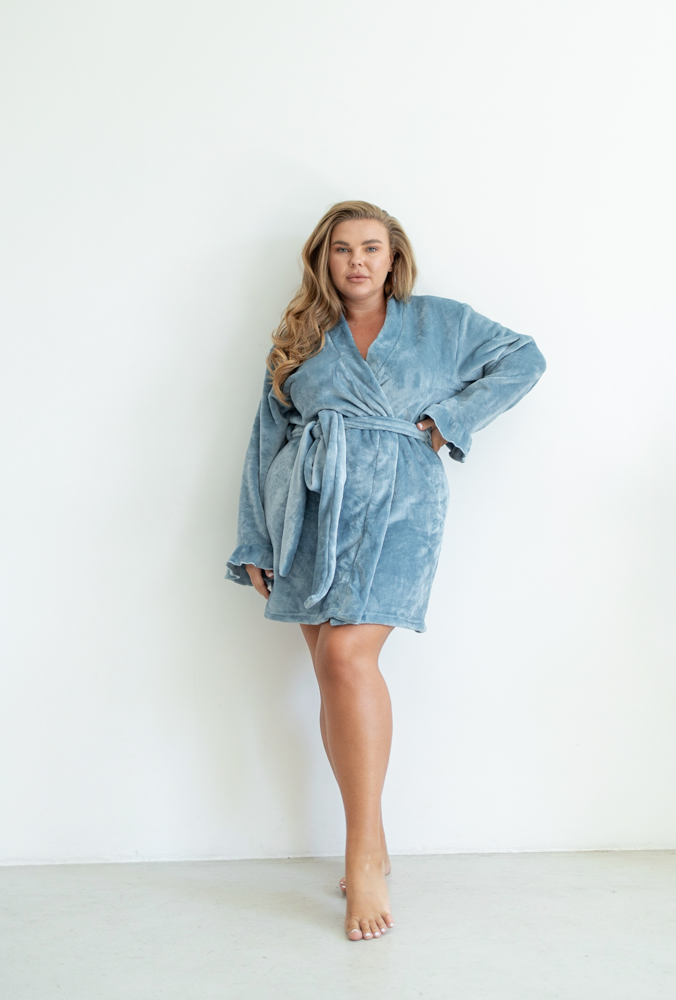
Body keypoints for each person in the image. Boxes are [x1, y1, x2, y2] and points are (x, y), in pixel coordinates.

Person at [226, 201, 546, 941]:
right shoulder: (301, 335)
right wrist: (255, 541)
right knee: (333, 674)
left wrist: (448, 423)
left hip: (401, 507)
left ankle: (363, 852)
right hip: (307, 512)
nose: (357, 261)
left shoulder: (439, 322)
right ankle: (370, 837)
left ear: (394, 257)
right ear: (324, 259)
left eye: (371, 247)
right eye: (343, 249)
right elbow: (266, 437)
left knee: (346, 657)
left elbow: (524, 357)